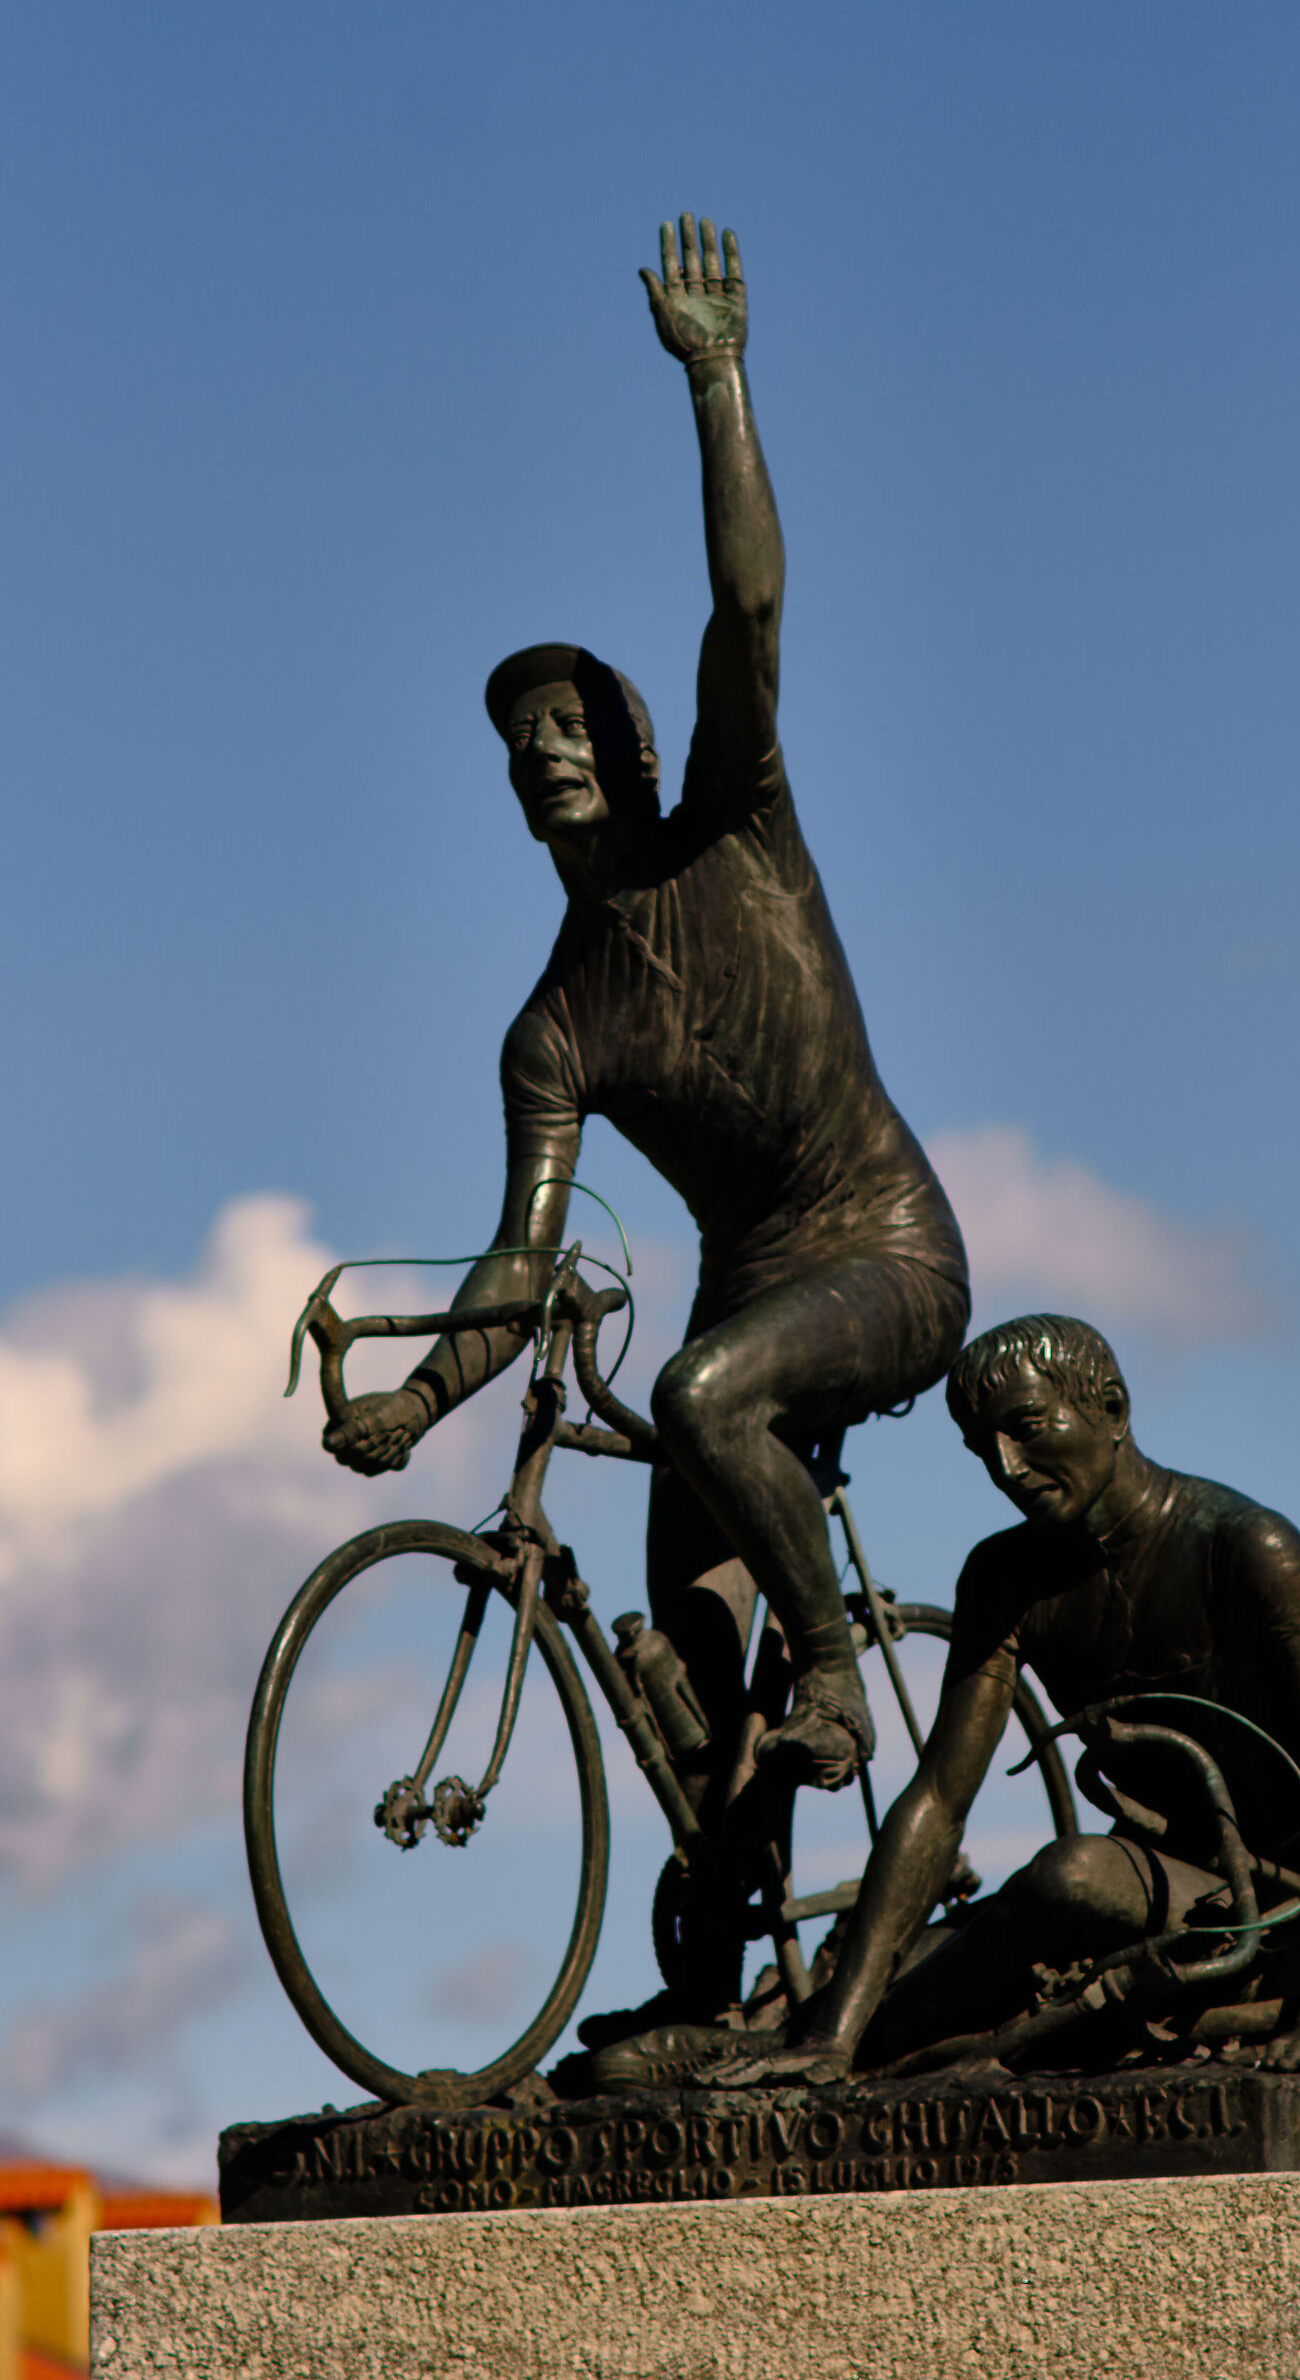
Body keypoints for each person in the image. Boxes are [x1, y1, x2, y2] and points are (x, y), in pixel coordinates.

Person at [321, 217, 969, 2003]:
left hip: (881, 1252)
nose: (537, 745)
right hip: (746, 1287)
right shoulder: (552, 1035)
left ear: (630, 740)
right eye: (514, 734)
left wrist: (718, 382)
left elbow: (748, 604)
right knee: (680, 1667)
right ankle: (724, 1973)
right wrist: (417, 1399)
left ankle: (836, 1673)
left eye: (564, 716)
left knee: (699, 1398)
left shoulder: (735, 821)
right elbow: (519, 1261)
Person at [648, 1311, 1300, 2087]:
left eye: (1028, 1428)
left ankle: (795, 2047)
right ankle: (793, 2041)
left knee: (1069, 1877)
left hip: (1271, 1897)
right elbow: (937, 1800)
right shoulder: (1003, 1579)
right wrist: (834, 2029)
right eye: (982, 1450)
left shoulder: (1248, 1547)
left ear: (1112, 1407)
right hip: (1148, 1882)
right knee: (936, 1953)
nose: (1007, 1467)